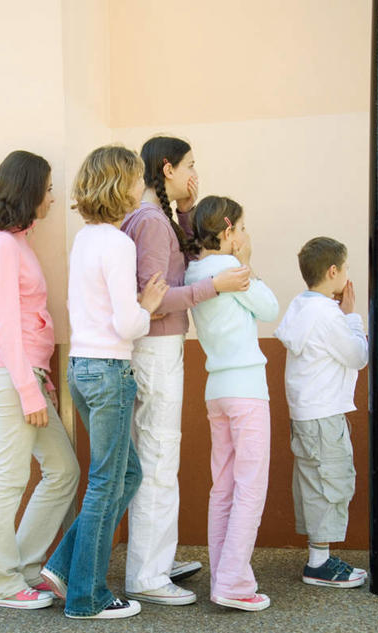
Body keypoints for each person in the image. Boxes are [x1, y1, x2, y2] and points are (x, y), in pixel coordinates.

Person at [121, 135, 251, 605]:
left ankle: (154, 559)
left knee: (156, 456)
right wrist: (214, 286)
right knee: (159, 458)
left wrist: (189, 210)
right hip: (156, 349)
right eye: (190, 165)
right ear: (168, 168)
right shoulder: (152, 222)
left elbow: (185, 254)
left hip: (155, 349)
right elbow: (153, 300)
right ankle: (147, 575)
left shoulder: (155, 219)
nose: (196, 173)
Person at [40, 145, 169, 619]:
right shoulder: (118, 243)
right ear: (121, 186)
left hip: (82, 368)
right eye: (136, 179)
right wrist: (148, 305)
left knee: (124, 475)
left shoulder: (85, 239)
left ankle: (62, 567)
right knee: (104, 483)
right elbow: (127, 324)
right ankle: (87, 597)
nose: (141, 186)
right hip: (110, 371)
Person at [0, 150, 80, 609]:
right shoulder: (2, 247)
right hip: (12, 377)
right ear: (28, 190)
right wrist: (29, 389)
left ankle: (25, 570)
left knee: (63, 471)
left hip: (27, 375)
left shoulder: (15, 242)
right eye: (47, 189)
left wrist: (38, 381)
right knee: (8, 478)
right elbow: (7, 326)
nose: (52, 198)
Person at [185, 196, 278, 611]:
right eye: (241, 227)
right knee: (250, 486)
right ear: (227, 232)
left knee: (222, 486)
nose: (244, 234)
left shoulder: (195, 271)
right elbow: (270, 308)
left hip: (216, 389)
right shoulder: (232, 270)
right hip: (247, 389)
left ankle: (223, 577)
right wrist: (248, 262)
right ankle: (234, 582)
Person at [274, 236, 368, 588]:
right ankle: (319, 564)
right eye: (345, 268)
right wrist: (352, 317)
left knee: (314, 482)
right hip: (324, 414)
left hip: (307, 413)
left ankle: (319, 557)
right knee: (332, 481)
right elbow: (357, 356)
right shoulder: (328, 315)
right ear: (332, 271)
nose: (347, 274)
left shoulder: (301, 306)